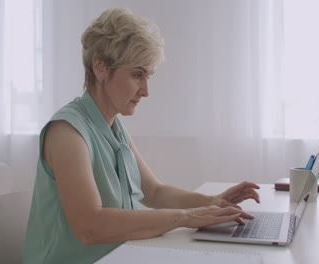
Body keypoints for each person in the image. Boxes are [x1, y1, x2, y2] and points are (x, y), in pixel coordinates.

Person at [23, 7, 260, 263]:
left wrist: (211, 201)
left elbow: (155, 192)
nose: (146, 90)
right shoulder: (67, 133)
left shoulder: (113, 127)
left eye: (148, 76)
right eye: (137, 75)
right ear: (100, 68)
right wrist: (186, 217)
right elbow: (89, 226)